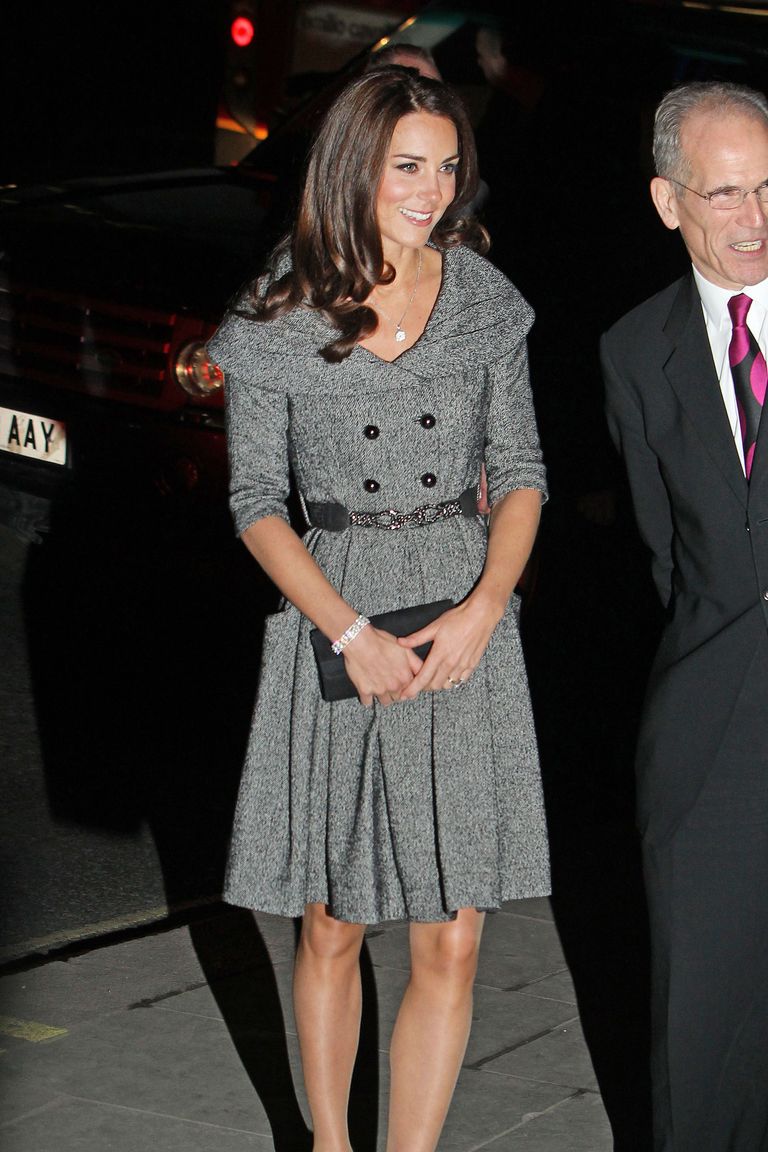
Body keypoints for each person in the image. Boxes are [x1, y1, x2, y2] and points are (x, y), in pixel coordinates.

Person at [208, 67, 549, 1152]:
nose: (433, 190)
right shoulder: (281, 306)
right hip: (337, 607)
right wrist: (345, 632)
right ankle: (329, 1144)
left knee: (452, 936)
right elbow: (257, 501)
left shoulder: (484, 298)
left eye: (447, 167)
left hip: (462, 606)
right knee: (335, 919)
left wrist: (491, 602)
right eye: (409, 166)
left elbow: (525, 469)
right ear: (355, 165)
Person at [600, 80, 768, 1151]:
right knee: (700, 1031)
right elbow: (665, 552)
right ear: (669, 203)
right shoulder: (633, 351)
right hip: (710, 732)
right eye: (724, 196)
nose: (755, 221)